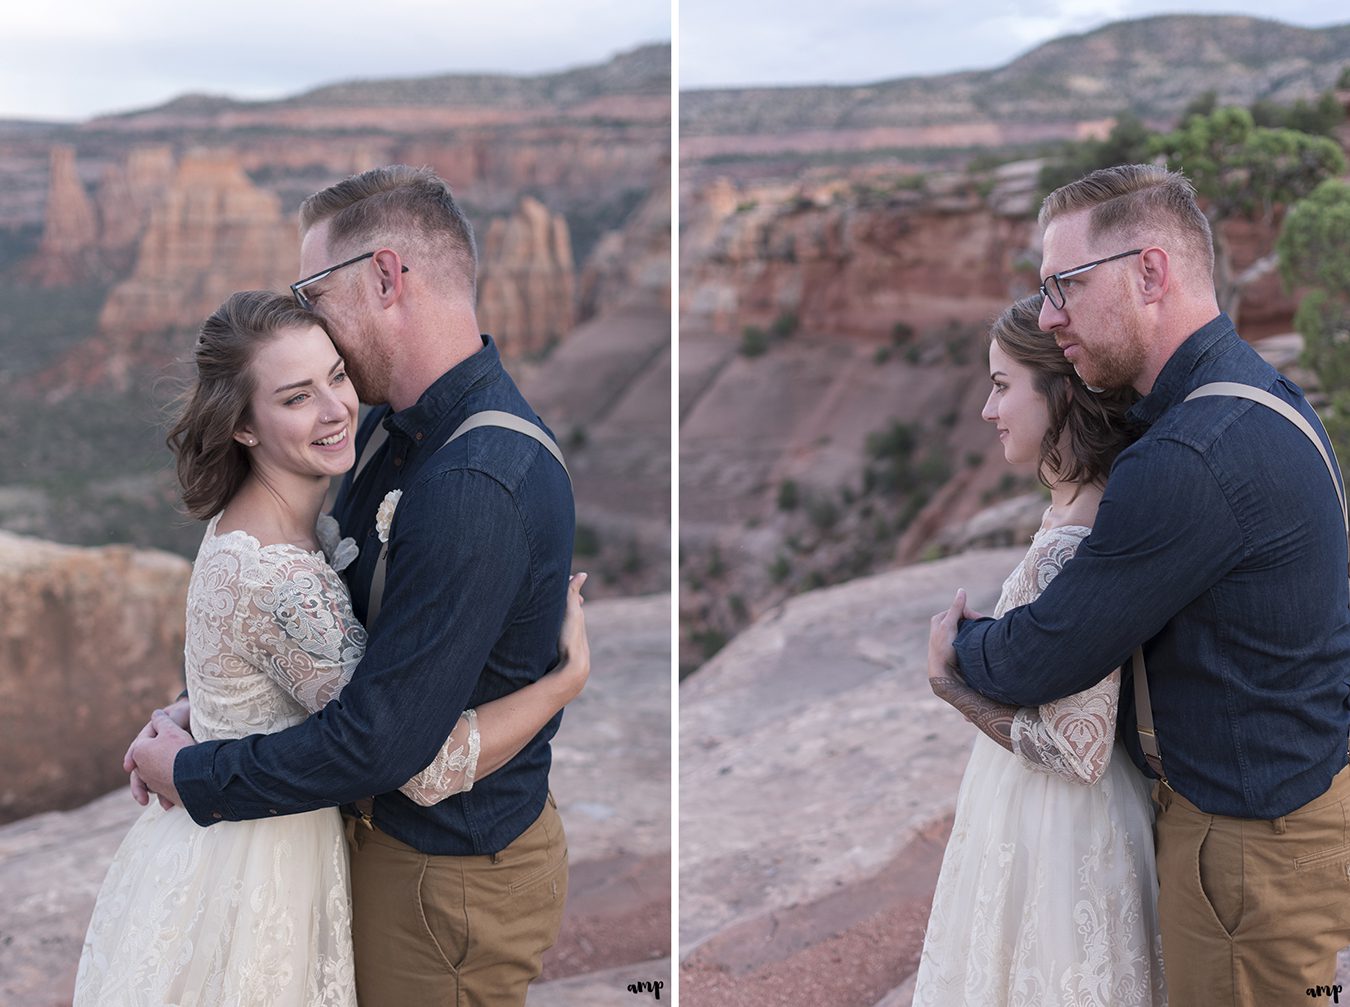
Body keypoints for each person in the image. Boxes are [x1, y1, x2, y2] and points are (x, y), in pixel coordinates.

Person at [127, 166, 581, 1006]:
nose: (307, 315)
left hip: (444, 873)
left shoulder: (477, 478)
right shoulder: (386, 432)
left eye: (314, 288)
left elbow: (386, 743)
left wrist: (196, 773)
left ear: (383, 277)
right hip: (367, 847)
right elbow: (324, 630)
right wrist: (221, 700)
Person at [929, 163, 1350, 1005]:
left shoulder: (1187, 456)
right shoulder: (1257, 397)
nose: (1051, 316)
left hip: (1243, 848)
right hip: (1282, 815)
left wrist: (955, 652)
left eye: (1065, 287)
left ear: (1149, 273)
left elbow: (1045, 654)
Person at [914, 294, 1164, 1005]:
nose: (988, 411)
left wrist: (951, 684)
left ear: (1059, 392)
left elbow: (1075, 749)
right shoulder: (1074, 504)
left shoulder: (1079, 538)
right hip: (1029, 816)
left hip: (1064, 832)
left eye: (1001, 386)